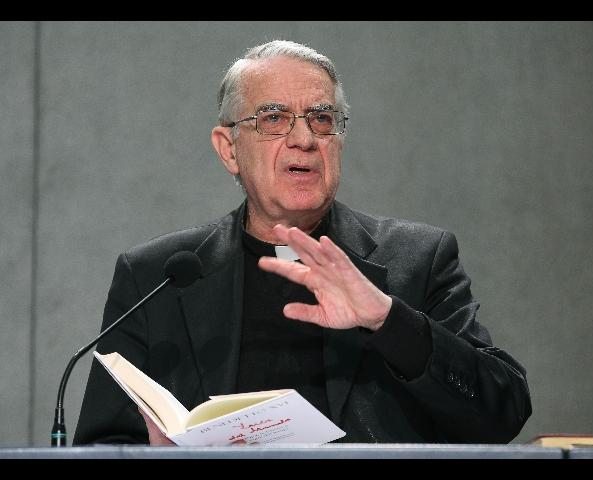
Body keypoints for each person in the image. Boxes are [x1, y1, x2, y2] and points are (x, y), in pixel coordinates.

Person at [73, 40, 531, 445]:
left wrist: (387, 319)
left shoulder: (418, 259)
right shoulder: (156, 277)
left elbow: (502, 414)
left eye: (322, 118)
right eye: (273, 118)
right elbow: (101, 444)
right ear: (229, 149)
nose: (304, 139)